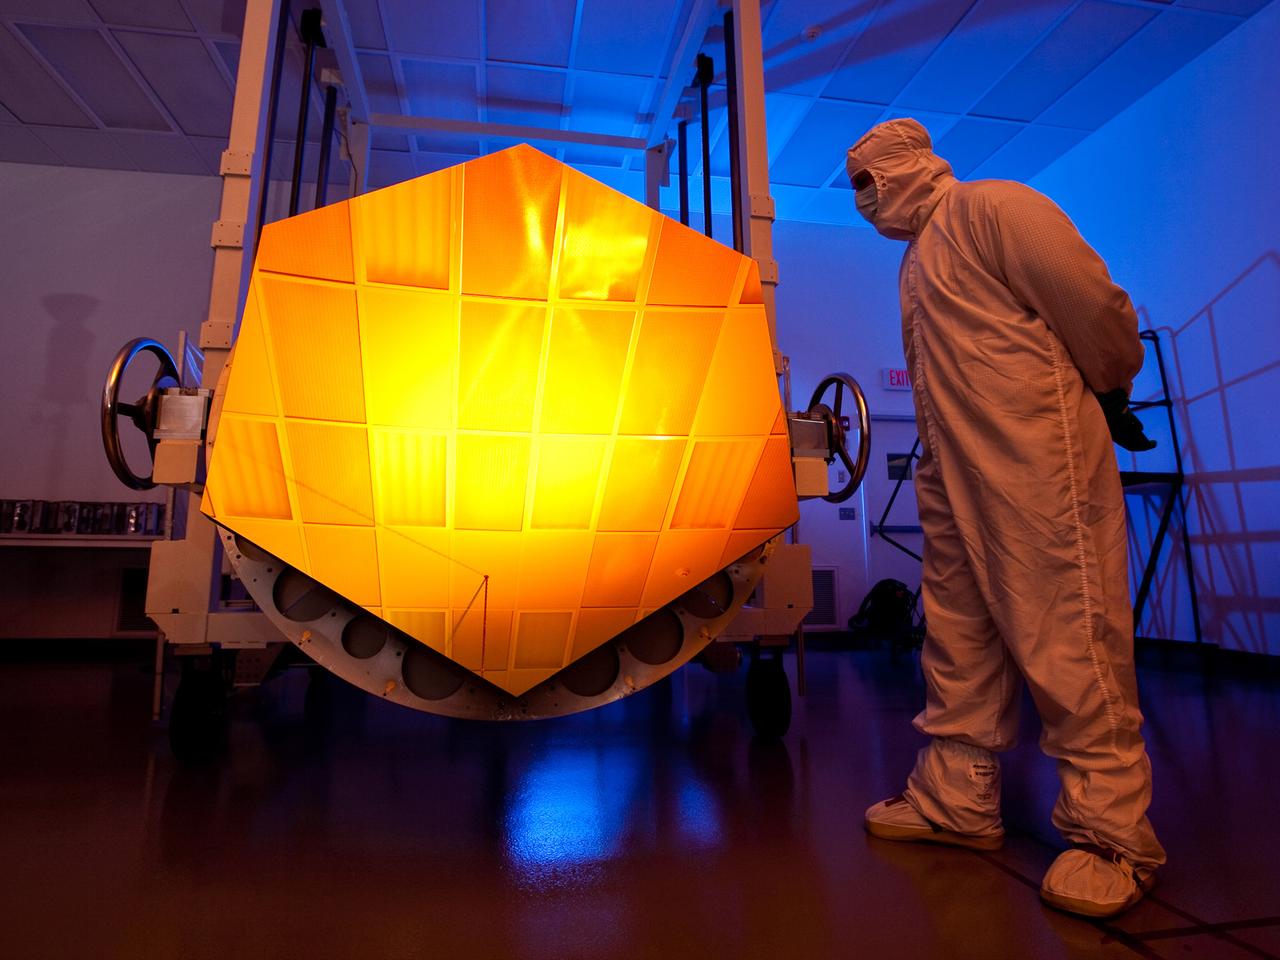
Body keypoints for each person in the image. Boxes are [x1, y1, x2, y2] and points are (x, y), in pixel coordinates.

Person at [845, 117, 1165, 919]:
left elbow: (1093, 307)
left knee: (1068, 631)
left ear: (906, 165)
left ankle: (1113, 837)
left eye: (866, 182)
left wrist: (1112, 384)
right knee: (958, 638)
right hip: (954, 472)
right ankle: (957, 798)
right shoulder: (919, 259)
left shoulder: (994, 207)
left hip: (1035, 459)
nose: (862, 202)